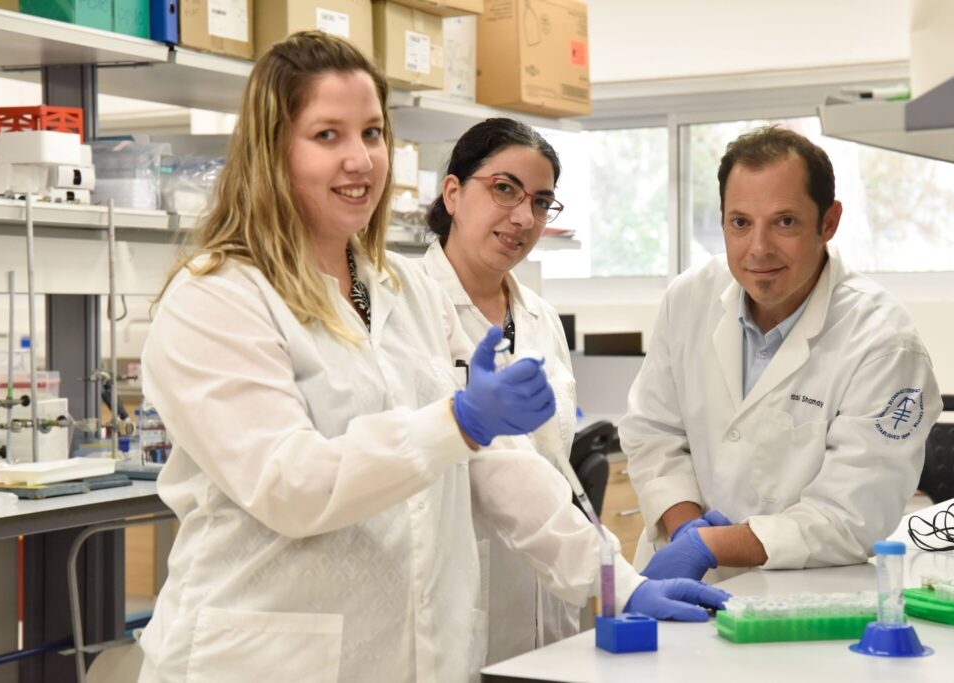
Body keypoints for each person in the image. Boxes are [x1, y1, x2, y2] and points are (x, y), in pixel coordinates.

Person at [137, 32, 728, 682]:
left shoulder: (403, 290)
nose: (360, 160)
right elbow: (289, 484)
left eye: (372, 132)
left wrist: (615, 577)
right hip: (265, 657)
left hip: (414, 652)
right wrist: (459, 422)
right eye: (327, 135)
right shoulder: (218, 296)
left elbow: (498, 463)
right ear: (272, 151)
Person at [621, 125, 941, 583]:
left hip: (797, 593)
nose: (759, 248)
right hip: (678, 585)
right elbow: (652, 432)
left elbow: (850, 516)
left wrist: (710, 545)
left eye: (785, 221)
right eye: (740, 222)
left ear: (828, 222)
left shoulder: (884, 343)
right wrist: (686, 527)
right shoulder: (689, 298)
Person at [422, 118, 580, 662]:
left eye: (541, 202)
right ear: (453, 193)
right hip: (457, 596)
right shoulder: (410, 310)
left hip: (549, 595)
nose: (523, 217)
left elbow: (554, 465)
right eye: (505, 189)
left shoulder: (541, 317)